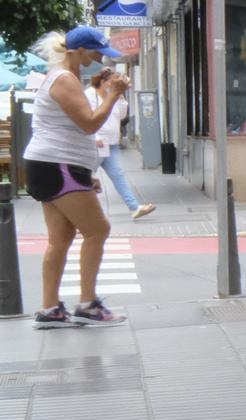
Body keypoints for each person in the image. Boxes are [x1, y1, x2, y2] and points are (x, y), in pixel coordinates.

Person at [23, 27, 131, 329]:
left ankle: (50, 309)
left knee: (60, 239)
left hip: (52, 165)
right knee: (98, 230)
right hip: (58, 165)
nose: (100, 58)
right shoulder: (64, 80)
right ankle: (87, 304)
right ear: (80, 50)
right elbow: (88, 125)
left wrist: (85, 174)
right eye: (96, 52)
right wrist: (113, 95)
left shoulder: (60, 75)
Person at [84, 68, 156, 220]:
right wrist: (94, 136)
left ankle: (134, 207)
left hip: (111, 143)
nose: (115, 84)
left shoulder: (114, 96)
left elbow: (122, 115)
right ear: (103, 82)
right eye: (113, 81)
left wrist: (120, 96)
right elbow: (87, 117)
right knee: (85, 178)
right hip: (97, 143)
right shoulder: (90, 95)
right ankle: (81, 215)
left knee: (118, 175)